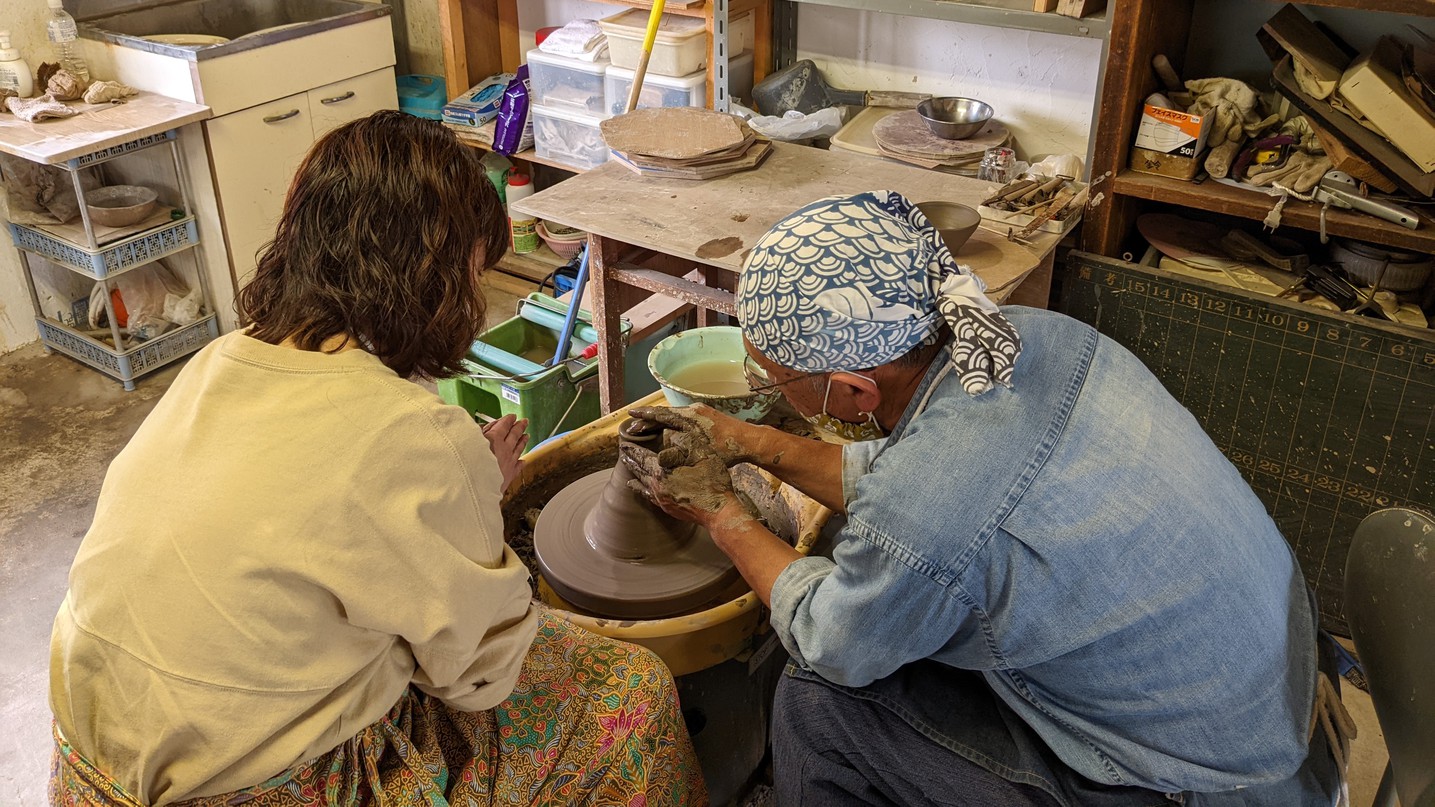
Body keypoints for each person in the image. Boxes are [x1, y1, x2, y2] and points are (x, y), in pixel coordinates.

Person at [48, 111, 705, 806]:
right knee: (634, 690)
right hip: (250, 786)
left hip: (88, 754)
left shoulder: (221, 358)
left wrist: (455, 481)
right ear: (437, 277)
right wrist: (475, 497)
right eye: (475, 274)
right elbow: (482, 676)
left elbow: (318, 500)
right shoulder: (414, 435)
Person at [623, 190, 1353, 806]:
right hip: (1269, 682)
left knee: (814, 698)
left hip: (1209, 779)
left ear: (851, 390)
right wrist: (752, 442)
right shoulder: (1034, 336)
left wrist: (721, 513)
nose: (767, 395)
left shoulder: (928, 508)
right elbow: (928, 473)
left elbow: (836, 634)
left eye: (774, 382)